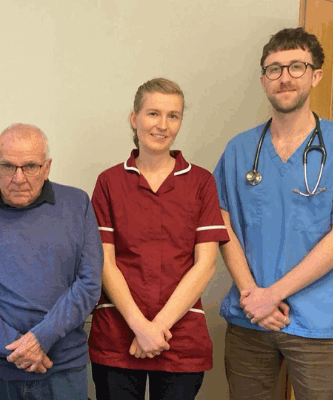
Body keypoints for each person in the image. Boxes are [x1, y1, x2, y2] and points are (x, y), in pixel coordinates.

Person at [212, 27, 333, 400]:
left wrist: (271, 294)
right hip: (250, 319)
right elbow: (221, 224)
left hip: (318, 323)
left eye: (296, 66)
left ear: (316, 75)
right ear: (263, 80)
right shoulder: (240, 150)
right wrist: (251, 295)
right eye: (274, 69)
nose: (285, 77)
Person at [87, 78, 229, 400]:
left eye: (173, 116)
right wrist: (140, 326)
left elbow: (205, 265)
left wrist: (155, 329)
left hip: (178, 336)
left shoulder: (200, 182)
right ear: (134, 118)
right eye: (153, 114)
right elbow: (105, 263)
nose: (162, 125)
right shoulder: (109, 182)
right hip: (119, 333)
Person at [0, 124, 103, 400]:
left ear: (47, 167)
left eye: (30, 167)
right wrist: (17, 349)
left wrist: (41, 338)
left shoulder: (77, 204)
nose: (18, 178)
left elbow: (89, 283)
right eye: (8, 166)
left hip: (62, 368)